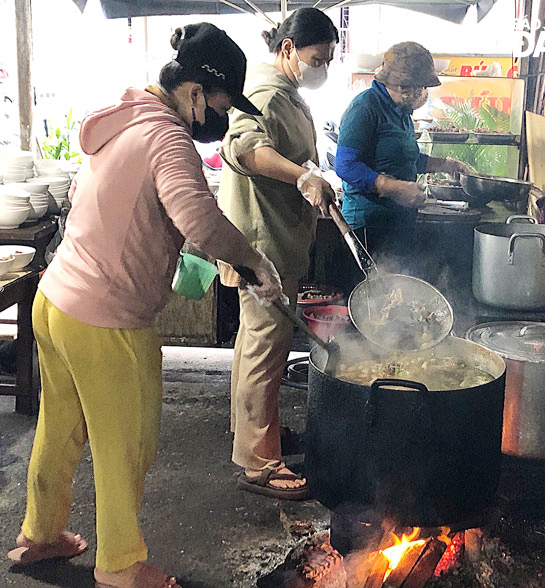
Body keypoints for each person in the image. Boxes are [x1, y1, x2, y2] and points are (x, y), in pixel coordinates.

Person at [6, 23, 285, 588]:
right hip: (104, 317)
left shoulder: (126, 118)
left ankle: (39, 535)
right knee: (125, 441)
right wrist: (256, 262)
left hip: (56, 299)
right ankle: (121, 565)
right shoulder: (167, 137)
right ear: (196, 92)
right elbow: (198, 219)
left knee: (59, 427)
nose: (223, 117)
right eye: (225, 102)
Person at [218, 7, 338, 501]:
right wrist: (302, 176)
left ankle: (254, 434)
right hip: (261, 241)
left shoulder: (285, 92)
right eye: (317, 58)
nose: (322, 67)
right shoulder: (265, 92)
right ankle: (258, 464)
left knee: (258, 343)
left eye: (329, 59)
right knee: (265, 346)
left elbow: (288, 149)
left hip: (276, 237)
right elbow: (245, 150)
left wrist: (310, 169)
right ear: (288, 50)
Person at [334, 42, 472, 288]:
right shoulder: (365, 108)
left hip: (399, 222)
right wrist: (393, 187)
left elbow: (405, 158)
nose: (423, 92)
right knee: (371, 300)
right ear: (400, 84)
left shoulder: (401, 111)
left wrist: (445, 165)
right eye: (420, 86)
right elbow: (345, 166)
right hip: (369, 227)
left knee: (396, 298)